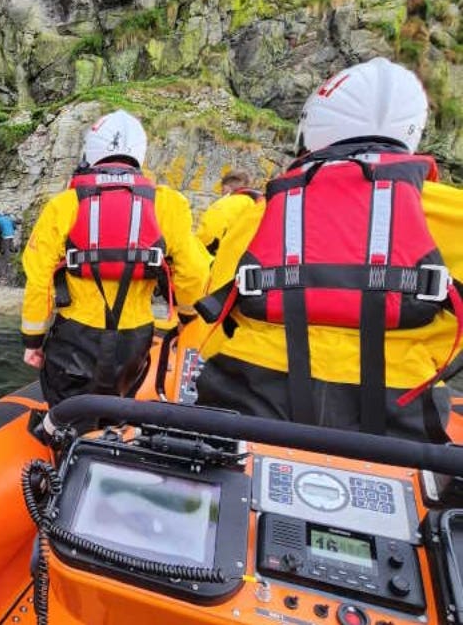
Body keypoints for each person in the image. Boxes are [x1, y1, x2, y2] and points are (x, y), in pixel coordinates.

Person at [195, 57, 463, 442]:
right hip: (399, 414)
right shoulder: (452, 215)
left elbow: (214, 311)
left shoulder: (260, 213)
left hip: (253, 398)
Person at [20, 110, 211, 406]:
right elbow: (195, 272)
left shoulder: (64, 205)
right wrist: (186, 316)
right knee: (118, 407)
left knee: (66, 408)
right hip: (135, 337)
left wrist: (33, 340)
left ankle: (64, 441)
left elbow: (39, 277)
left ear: (92, 150)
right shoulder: (169, 204)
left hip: (76, 335)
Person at [195, 170, 262, 255]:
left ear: (226, 188)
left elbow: (209, 231)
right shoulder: (255, 204)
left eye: (222, 190)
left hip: (210, 250)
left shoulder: (225, 202)